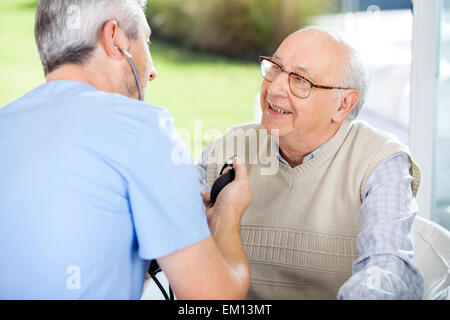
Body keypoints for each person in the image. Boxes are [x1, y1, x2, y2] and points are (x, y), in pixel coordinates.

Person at [0, 0, 251, 299]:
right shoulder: (144, 128)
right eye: (145, 40)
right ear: (115, 38)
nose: (153, 70)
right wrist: (227, 214)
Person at [197, 27, 424, 300]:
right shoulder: (230, 147)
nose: (275, 88)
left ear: (343, 105)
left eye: (300, 80)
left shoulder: (381, 163)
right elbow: (164, 221)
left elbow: (388, 270)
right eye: (275, 68)